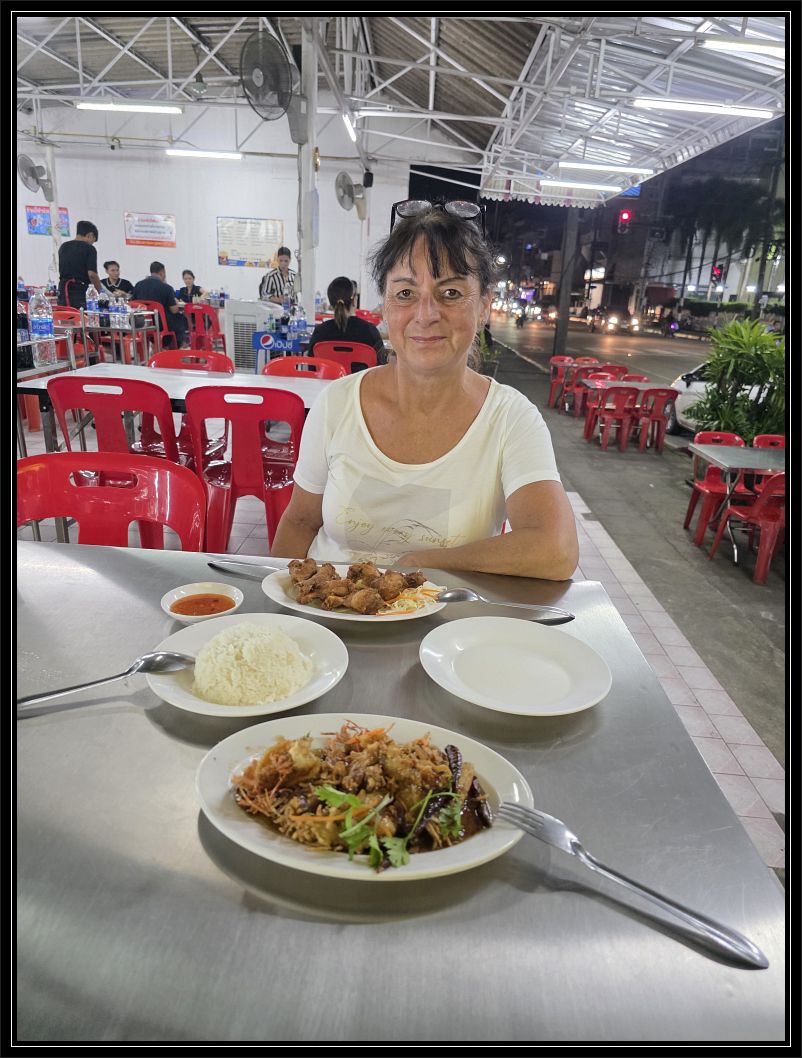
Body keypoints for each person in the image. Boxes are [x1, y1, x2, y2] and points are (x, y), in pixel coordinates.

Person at [270, 201, 578, 579]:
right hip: (328, 609)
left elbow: (556, 550)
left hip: (450, 615)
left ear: (483, 306)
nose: (426, 314)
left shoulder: (510, 419)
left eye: (451, 293)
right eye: (405, 293)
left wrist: (418, 565)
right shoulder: (337, 404)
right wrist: (281, 603)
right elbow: (300, 522)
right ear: (385, 307)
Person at [306, 276, 385, 362]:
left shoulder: (320, 332)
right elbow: (381, 363)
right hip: (363, 372)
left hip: (330, 371)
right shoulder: (369, 331)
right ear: (354, 300)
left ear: (331, 303)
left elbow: (312, 365)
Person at [132, 262, 189, 348]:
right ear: (162, 273)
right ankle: (175, 346)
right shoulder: (166, 288)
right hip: (162, 324)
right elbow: (174, 310)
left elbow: (134, 304)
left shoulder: (138, 285)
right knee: (180, 318)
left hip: (143, 323)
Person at [57, 220, 102, 308]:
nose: (92, 243)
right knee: (81, 316)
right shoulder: (89, 249)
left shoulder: (63, 247)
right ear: (90, 235)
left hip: (63, 292)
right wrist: (100, 291)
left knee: (66, 315)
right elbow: (92, 274)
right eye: (93, 241)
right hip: (80, 294)